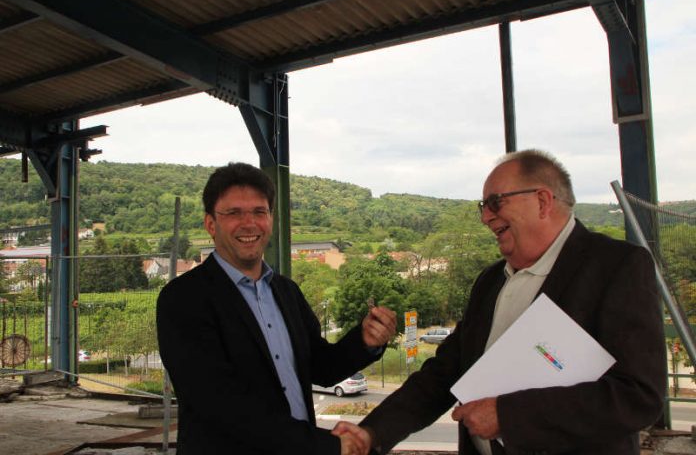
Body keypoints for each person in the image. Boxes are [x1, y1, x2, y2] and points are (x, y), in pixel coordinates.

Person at [334, 149, 666, 454]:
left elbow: (638, 396)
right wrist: (372, 433)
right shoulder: (489, 282)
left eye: (495, 202)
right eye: (483, 207)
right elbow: (441, 376)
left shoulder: (616, 267)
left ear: (542, 201)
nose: (485, 217)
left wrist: (507, 415)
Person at [156, 162, 396, 455]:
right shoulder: (183, 299)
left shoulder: (286, 292)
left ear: (270, 219)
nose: (249, 223)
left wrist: (364, 341)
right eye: (234, 213)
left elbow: (320, 366)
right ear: (210, 224)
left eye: (260, 212)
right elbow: (220, 405)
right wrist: (327, 447)